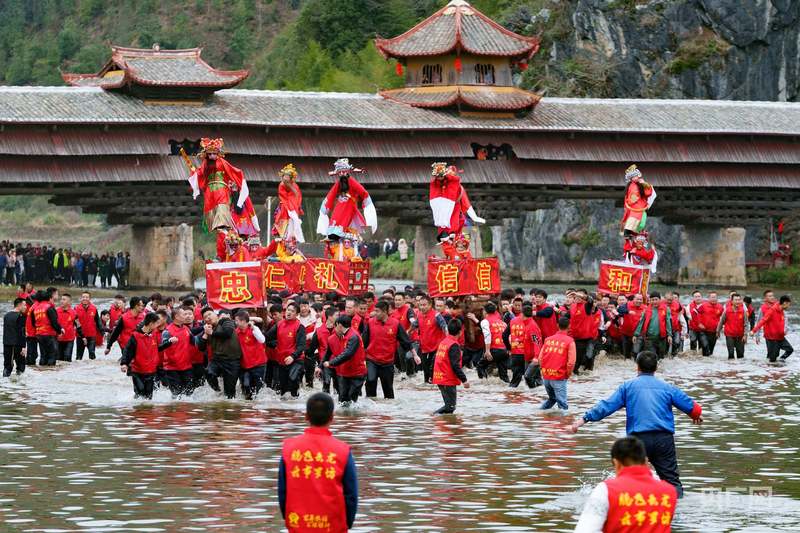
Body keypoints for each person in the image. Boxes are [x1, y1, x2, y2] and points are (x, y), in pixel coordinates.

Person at [571, 351, 703, 498]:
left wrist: (583, 419)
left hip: (638, 442)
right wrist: (695, 416)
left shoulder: (627, 387)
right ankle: (675, 513)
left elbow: (607, 406)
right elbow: (693, 408)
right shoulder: (667, 387)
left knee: (630, 481)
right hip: (663, 440)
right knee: (672, 482)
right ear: (656, 368)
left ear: (637, 367)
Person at [278, 392, 358, 532]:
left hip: (298, 525)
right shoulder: (342, 451)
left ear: (306, 416)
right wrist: (346, 524)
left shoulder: (289, 449)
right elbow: (351, 496)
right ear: (332, 417)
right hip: (333, 527)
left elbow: (283, 492)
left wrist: (290, 520)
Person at [574, 437, 677, 533]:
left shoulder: (606, 490)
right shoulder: (670, 491)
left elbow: (584, 530)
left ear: (616, 463)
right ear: (646, 461)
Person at [363, 300, 419, 400]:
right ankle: (370, 411)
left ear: (385, 312)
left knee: (388, 391)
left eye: (377, 311)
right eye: (375, 311)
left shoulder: (395, 324)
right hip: (372, 360)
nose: (375, 313)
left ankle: (388, 412)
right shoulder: (370, 323)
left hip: (387, 362)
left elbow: (405, 341)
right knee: (370, 381)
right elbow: (363, 342)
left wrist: (415, 355)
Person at [317, 158, 377, 242]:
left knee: (345, 218)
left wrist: (368, 204)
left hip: (350, 205)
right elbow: (331, 194)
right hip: (340, 204)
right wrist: (325, 207)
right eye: (339, 172)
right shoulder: (339, 183)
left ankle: (340, 235)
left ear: (347, 171)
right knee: (335, 215)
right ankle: (331, 235)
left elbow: (363, 193)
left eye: (343, 171)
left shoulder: (352, 182)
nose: (341, 174)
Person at [197, 308, 242, 399]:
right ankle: (218, 391)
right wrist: (206, 334)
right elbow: (201, 348)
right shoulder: (208, 328)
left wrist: (212, 332)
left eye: (209, 314)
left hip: (232, 361)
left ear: (215, 314)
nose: (208, 317)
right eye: (205, 317)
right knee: (208, 372)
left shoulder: (225, 321)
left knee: (229, 394)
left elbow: (227, 333)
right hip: (217, 360)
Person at [264, 302, 307, 397]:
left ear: (297, 314)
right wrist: (274, 345)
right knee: (282, 389)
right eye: (288, 310)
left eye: (292, 311)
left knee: (292, 379)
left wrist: (293, 356)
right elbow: (266, 338)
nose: (289, 312)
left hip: (296, 360)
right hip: (282, 361)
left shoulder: (299, 326)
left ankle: (296, 400)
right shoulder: (279, 324)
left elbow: (302, 346)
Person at [323, 315, 367, 405]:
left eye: (335, 325)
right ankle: (344, 418)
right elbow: (328, 353)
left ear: (339, 325)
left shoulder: (353, 336)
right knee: (342, 400)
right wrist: (321, 366)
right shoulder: (344, 335)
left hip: (356, 374)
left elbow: (348, 354)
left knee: (351, 401)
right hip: (345, 373)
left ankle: (352, 419)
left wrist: (331, 362)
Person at [119, 312, 161, 400]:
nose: (158, 325)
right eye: (157, 323)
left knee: (149, 396)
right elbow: (128, 350)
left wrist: (169, 342)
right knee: (140, 392)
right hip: (137, 371)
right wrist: (124, 363)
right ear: (151, 324)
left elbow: (158, 348)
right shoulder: (135, 336)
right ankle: (137, 411)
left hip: (151, 370)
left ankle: (147, 413)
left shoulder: (154, 334)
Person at [538, 317, 575, 410]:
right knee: (563, 405)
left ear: (557, 325)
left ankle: (538, 415)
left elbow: (540, 358)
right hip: (559, 376)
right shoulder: (570, 341)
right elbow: (571, 362)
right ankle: (564, 423)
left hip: (546, 376)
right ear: (569, 326)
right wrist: (568, 374)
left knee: (552, 399)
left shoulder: (548, 340)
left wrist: (543, 371)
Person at [160, 307, 196, 397]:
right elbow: (161, 346)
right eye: (184, 314)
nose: (186, 316)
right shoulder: (167, 331)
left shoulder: (186, 329)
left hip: (187, 367)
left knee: (189, 394)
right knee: (177, 394)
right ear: (176, 316)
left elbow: (194, 341)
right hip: (172, 368)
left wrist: (206, 334)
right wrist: (169, 341)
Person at [235, 310, 267, 400]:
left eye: (237, 320)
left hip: (258, 364)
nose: (235, 322)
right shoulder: (236, 332)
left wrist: (254, 329)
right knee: (246, 386)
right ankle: (247, 407)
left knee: (258, 389)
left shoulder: (254, 329)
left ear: (243, 321)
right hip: (244, 366)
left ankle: (256, 409)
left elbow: (262, 340)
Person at [508, 304, 542, 388]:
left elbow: (537, 342)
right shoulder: (527, 324)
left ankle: (537, 394)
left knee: (528, 377)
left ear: (522, 314)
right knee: (531, 379)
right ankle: (534, 396)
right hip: (527, 357)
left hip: (533, 358)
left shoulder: (532, 326)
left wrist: (536, 357)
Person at [751, 294, 793, 362]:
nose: (789, 306)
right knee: (772, 359)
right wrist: (754, 331)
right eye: (788, 304)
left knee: (790, 350)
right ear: (785, 303)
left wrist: (785, 330)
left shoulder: (782, 310)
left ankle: (780, 362)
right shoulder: (772, 310)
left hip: (780, 337)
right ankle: (770, 370)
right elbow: (763, 320)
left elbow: (783, 321)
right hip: (771, 338)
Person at [416, 295, 447, 384]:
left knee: (433, 368)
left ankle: (435, 387)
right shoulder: (419, 315)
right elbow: (413, 326)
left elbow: (444, 327)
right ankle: (427, 389)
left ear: (430, 305)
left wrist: (448, 341)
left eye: (424, 305)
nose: (422, 307)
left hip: (437, 347)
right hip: (424, 347)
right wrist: (407, 333)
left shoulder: (437, 315)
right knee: (426, 370)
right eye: (420, 305)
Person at [632, 292, 672, 359]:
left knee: (661, 357)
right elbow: (641, 323)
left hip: (661, 338)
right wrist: (636, 334)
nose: (654, 301)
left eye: (656, 299)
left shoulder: (666, 309)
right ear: (650, 301)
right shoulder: (646, 310)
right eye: (652, 300)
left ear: (660, 300)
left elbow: (668, 323)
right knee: (652, 356)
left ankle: (660, 369)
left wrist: (669, 335)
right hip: (649, 338)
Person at [273, 163, 305, 243]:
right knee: (281, 215)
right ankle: (282, 235)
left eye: (288, 176)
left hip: (293, 206)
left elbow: (297, 196)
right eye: (285, 176)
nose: (286, 178)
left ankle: (292, 236)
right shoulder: (281, 185)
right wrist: (289, 206)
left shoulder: (295, 185)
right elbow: (283, 196)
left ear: (291, 178)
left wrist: (295, 206)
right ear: (282, 176)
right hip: (284, 204)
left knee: (294, 219)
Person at [478, 301, 510, 382]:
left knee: (480, 366)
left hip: (494, 350)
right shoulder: (502, 323)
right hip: (505, 350)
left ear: (485, 311)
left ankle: (483, 386)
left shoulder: (485, 321)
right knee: (503, 374)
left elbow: (487, 335)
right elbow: (509, 336)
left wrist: (488, 351)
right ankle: (509, 389)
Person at [30, 288, 62, 366]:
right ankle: (50, 374)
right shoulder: (49, 307)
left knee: (43, 355)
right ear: (49, 298)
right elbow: (54, 323)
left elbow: (33, 323)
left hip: (39, 335)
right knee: (52, 355)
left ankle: (42, 372)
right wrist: (60, 331)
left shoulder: (35, 308)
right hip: (49, 335)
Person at [716, 292, 748, 360]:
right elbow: (721, 322)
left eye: (739, 300)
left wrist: (745, 335)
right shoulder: (727, 311)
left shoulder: (743, 311)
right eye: (736, 300)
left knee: (740, 355)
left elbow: (746, 324)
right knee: (731, 354)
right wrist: (718, 331)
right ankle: (731, 369)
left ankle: (740, 369)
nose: (737, 302)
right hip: (729, 335)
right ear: (732, 301)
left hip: (740, 336)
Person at [3, 298, 28, 377]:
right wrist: (24, 347)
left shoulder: (6, 315)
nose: (26, 307)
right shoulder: (21, 316)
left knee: (7, 366)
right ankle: (19, 385)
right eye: (24, 305)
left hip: (6, 344)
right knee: (21, 367)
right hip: (17, 344)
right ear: (19, 305)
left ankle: (5, 385)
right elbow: (22, 332)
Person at [74, 291, 102, 361]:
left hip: (91, 335)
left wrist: (101, 332)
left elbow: (98, 321)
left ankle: (92, 370)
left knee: (92, 354)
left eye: (87, 297)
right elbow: (74, 322)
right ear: (81, 298)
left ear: (90, 299)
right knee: (79, 357)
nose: (85, 299)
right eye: (83, 297)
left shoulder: (94, 308)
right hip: (80, 336)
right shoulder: (76, 308)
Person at [696, 291, 723, 356]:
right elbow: (697, 314)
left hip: (714, 331)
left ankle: (709, 363)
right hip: (704, 331)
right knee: (705, 345)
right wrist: (699, 323)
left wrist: (720, 329)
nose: (713, 299)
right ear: (709, 298)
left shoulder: (720, 307)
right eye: (712, 297)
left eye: (715, 297)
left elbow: (723, 319)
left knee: (711, 350)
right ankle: (704, 361)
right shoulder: (703, 306)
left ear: (717, 298)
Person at [56, 293, 77, 362]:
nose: (61, 301)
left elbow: (78, 325)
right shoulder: (56, 311)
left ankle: (68, 372)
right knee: (59, 359)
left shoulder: (74, 313)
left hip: (69, 339)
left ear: (69, 302)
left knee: (67, 358)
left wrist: (83, 337)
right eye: (61, 299)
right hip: (58, 339)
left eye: (64, 299)